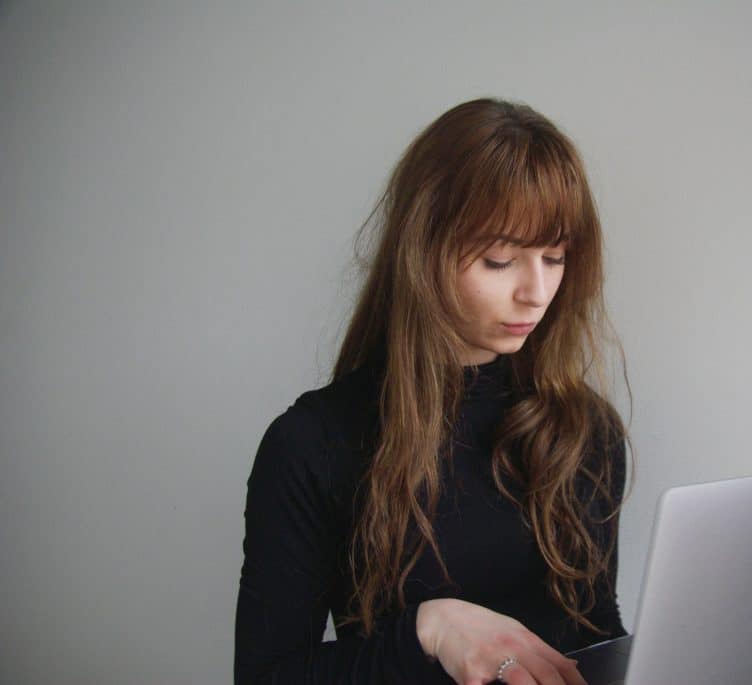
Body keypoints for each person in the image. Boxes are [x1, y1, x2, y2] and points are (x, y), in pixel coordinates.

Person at [234, 97, 633, 685]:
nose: (537, 291)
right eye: (500, 260)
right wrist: (428, 630)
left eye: (556, 256)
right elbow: (267, 676)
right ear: (423, 251)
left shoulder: (584, 430)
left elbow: (593, 628)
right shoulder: (313, 444)